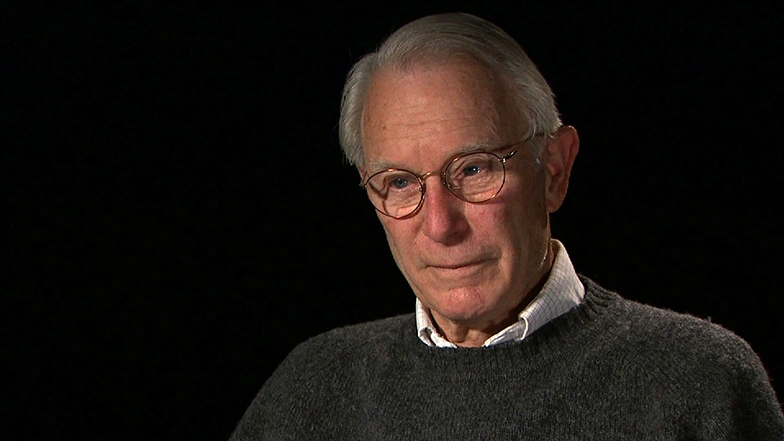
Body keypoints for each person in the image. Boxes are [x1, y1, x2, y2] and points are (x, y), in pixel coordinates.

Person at [230, 12, 784, 440]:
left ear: (555, 171)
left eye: (473, 170)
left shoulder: (700, 383)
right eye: (399, 183)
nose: (441, 225)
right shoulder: (311, 387)